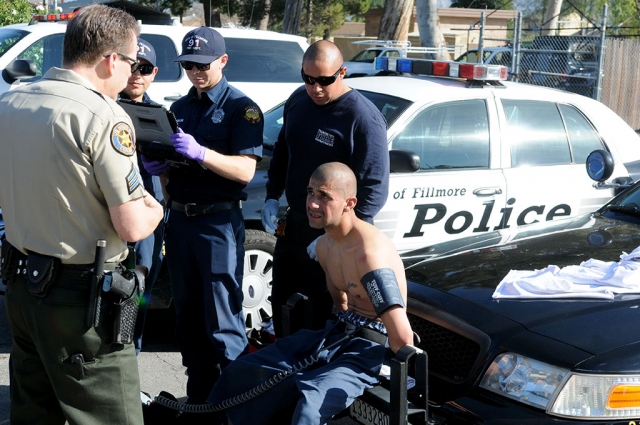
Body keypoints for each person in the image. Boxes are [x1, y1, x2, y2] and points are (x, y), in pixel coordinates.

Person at [0, 5, 164, 424]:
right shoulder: (104, 115)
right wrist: (156, 208)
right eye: (131, 63)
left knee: (34, 414)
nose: (132, 75)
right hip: (79, 305)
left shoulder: (12, 99)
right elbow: (131, 226)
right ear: (111, 59)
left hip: (21, 287)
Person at [210, 162, 414, 424]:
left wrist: (393, 376)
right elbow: (341, 302)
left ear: (349, 203)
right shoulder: (325, 246)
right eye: (310, 192)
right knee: (244, 370)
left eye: (325, 196)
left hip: (372, 350)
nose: (313, 203)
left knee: (311, 403)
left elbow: (402, 335)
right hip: (337, 335)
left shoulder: (369, 255)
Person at [141, 26, 263, 404]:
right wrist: (160, 166)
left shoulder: (242, 109)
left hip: (216, 222)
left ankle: (235, 406)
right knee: (189, 321)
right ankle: (201, 404)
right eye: (189, 64)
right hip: (181, 220)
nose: (195, 71)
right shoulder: (179, 108)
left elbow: (245, 170)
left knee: (223, 321)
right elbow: (172, 163)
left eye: (202, 65)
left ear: (222, 61)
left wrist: (201, 153)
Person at [261, 40, 390, 337]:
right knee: (284, 305)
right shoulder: (298, 101)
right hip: (294, 225)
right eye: (308, 79)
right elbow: (283, 152)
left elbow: (372, 191)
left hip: (333, 238)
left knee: (318, 317)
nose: (315, 88)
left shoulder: (362, 119)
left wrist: (335, 241)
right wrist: (271, 196)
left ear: (342, 73)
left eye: (324, 81)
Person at [119, 38, 166, 355]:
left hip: (149, 219)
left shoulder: (160, 115)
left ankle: (128, 358)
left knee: (139, 291)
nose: (137, 74)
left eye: (145, 68)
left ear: (154, 73)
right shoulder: (105, 107)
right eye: (133, 66)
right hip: (112, 215)